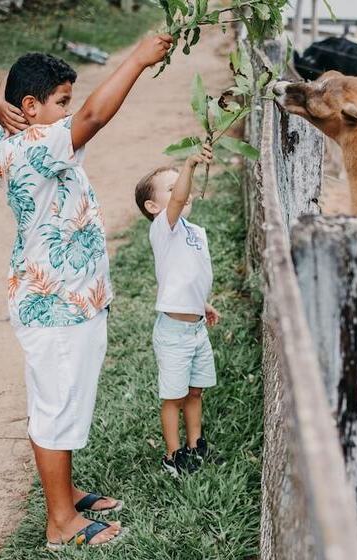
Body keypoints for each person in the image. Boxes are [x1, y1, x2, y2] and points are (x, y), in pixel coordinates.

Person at [0, 34, 173, 549]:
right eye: (61, 102)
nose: (70, 113)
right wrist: (136, 57)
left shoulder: (3, 140)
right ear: (30, 108)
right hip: (58, 306)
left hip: (61, 298)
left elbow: (28, 94)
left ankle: (63, 492)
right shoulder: (36, 146)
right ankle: (60, 522)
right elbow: (94, 116)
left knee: (62, 400)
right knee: (56, 408)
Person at [134, 143, 220, 477]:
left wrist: (203, 304)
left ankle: (196, 444)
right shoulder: (163, 229)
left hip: (196, 330)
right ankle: (172, 454)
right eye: (171, 188)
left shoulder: (195, 232)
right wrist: (189, 165)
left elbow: (190, 275)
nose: (181, 191)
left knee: (195, 391)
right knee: (174, 396)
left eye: (179, 183)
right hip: (173, 334)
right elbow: (181, 199)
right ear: (153, 206)